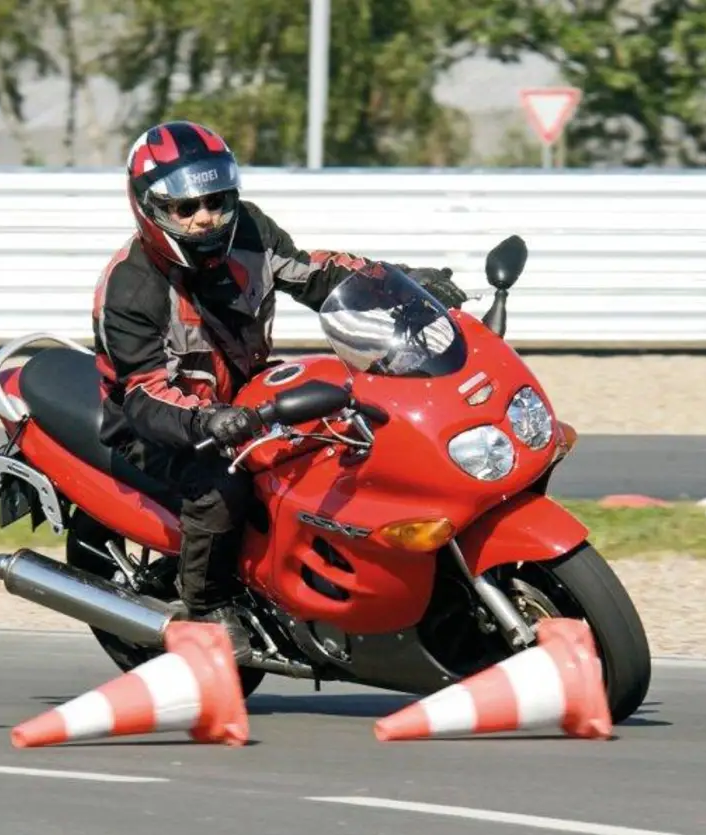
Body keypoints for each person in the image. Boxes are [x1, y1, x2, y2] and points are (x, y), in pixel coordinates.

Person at [90, 120, 469, 663]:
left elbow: (313, 274)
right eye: (186, 208)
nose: (206, 217)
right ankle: (207, 608)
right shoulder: (131, 289)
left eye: (216, 201)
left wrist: (399, 283)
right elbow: (145, 394)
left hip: (240, 394)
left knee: (346, 426)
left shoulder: (249, 230)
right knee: (220, 486)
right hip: (154, 425)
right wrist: (206, 421)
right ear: (150, 210)